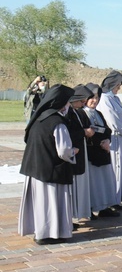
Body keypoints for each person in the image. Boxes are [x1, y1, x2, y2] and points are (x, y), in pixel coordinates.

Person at [18, 84, 77, 245]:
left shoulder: (38, 118)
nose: (68, 105)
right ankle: (49, 234)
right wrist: (74, 152)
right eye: (67, 102)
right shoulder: (58, 122)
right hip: (51, 171)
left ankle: (41, 232)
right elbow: (64, 151)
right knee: (50, 203)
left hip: (35, 168)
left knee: (40, 204)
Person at [82, 83, 120, 218]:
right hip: (91, 153)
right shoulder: (82, 113)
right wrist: (99, 142)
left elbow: (107, 130)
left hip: (103, 152)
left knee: (105, 181)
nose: (95, 100)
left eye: (97, 97)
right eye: (92, 97)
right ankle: (91, 208)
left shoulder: (98, 113)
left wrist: (107, 141)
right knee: (93, 183)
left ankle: (104, 206)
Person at [97, 71, 122, 206]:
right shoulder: (105, 99)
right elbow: (113, 122)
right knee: (114, 169)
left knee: (121, 169)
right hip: (114, 139)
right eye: (118, 84)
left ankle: (118, 198)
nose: (119, 87)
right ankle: (112, 199)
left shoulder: (116, 99)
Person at [67, 84, 95, 228]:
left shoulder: (77, 112)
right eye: (81, 101)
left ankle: (77, 214)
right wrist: (84, 132)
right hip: (72, 154)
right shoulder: (68, 112)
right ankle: (69, 218)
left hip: (81, 152)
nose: (83, 104)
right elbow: (68, 132)